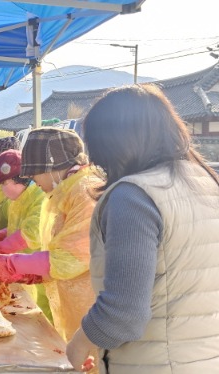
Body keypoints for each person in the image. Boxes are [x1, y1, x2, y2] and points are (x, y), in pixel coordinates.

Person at [66, 85, 219, 373]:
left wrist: (79, 343)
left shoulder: (134, 196)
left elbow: (123, 314)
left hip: (154, 362)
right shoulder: (205, 181)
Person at [0, 128, 102, 343]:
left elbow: (68, 258)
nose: (33, 181)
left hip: (89, 304)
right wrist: (33, 272)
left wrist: (12, 264)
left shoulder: (85, 191)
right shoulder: (63, 190)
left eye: (34, 174)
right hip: (67, 297)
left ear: (52, 168)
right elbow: (54, 245)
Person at [0, 149, 51, 321]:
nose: (1, 190)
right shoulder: (20, 198)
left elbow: (30, 234)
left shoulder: (39, 198)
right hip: (21, 268)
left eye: (2, 184)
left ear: (13, 180)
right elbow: (15, 228)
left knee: (43, 319)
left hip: (38, 272)